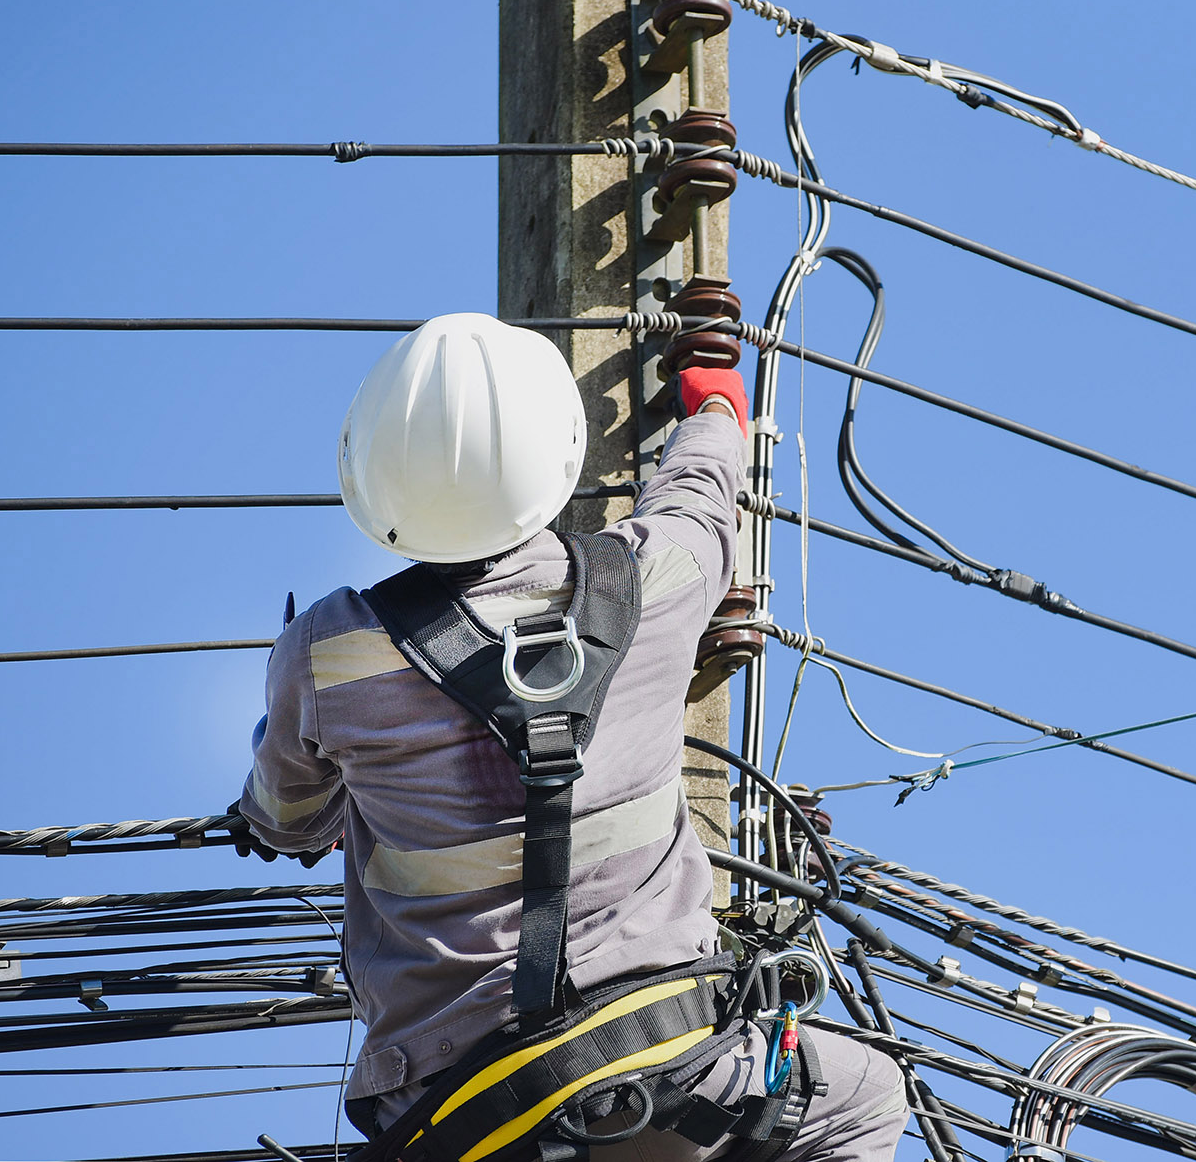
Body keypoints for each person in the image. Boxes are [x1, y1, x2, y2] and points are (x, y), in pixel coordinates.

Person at [233, 314, 907, 1162]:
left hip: (451, 1104)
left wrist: (289, 800)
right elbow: (701, 496)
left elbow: (284, 820)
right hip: (667, 1060)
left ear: (367, 475)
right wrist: (714, 403)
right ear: (559, 456)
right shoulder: (653, 584)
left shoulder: (328, 655)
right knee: (866, 1096)